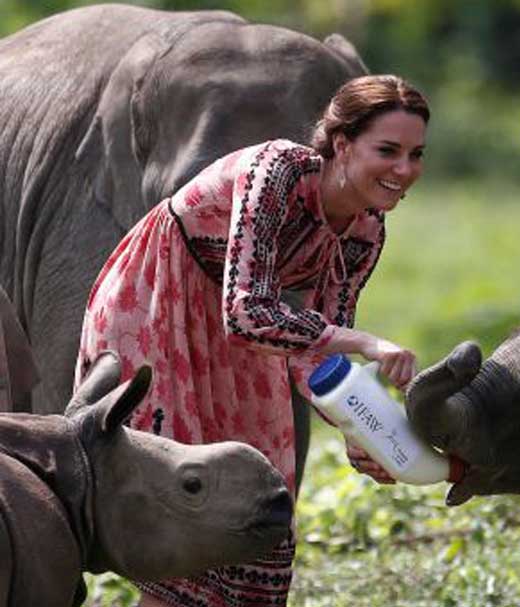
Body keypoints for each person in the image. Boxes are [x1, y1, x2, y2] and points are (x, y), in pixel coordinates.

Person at [74, 74, 428, 607]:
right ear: (342, 144)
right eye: (388, 150)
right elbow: (246, 310)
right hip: (161, 302)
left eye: (416, 154)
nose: (404, 170)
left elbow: (316, 357)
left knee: (256, 506)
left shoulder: (366, 232)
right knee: (188, 507)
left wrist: (364, 430)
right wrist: (365, 342)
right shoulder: (279, 171)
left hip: (244, 334)